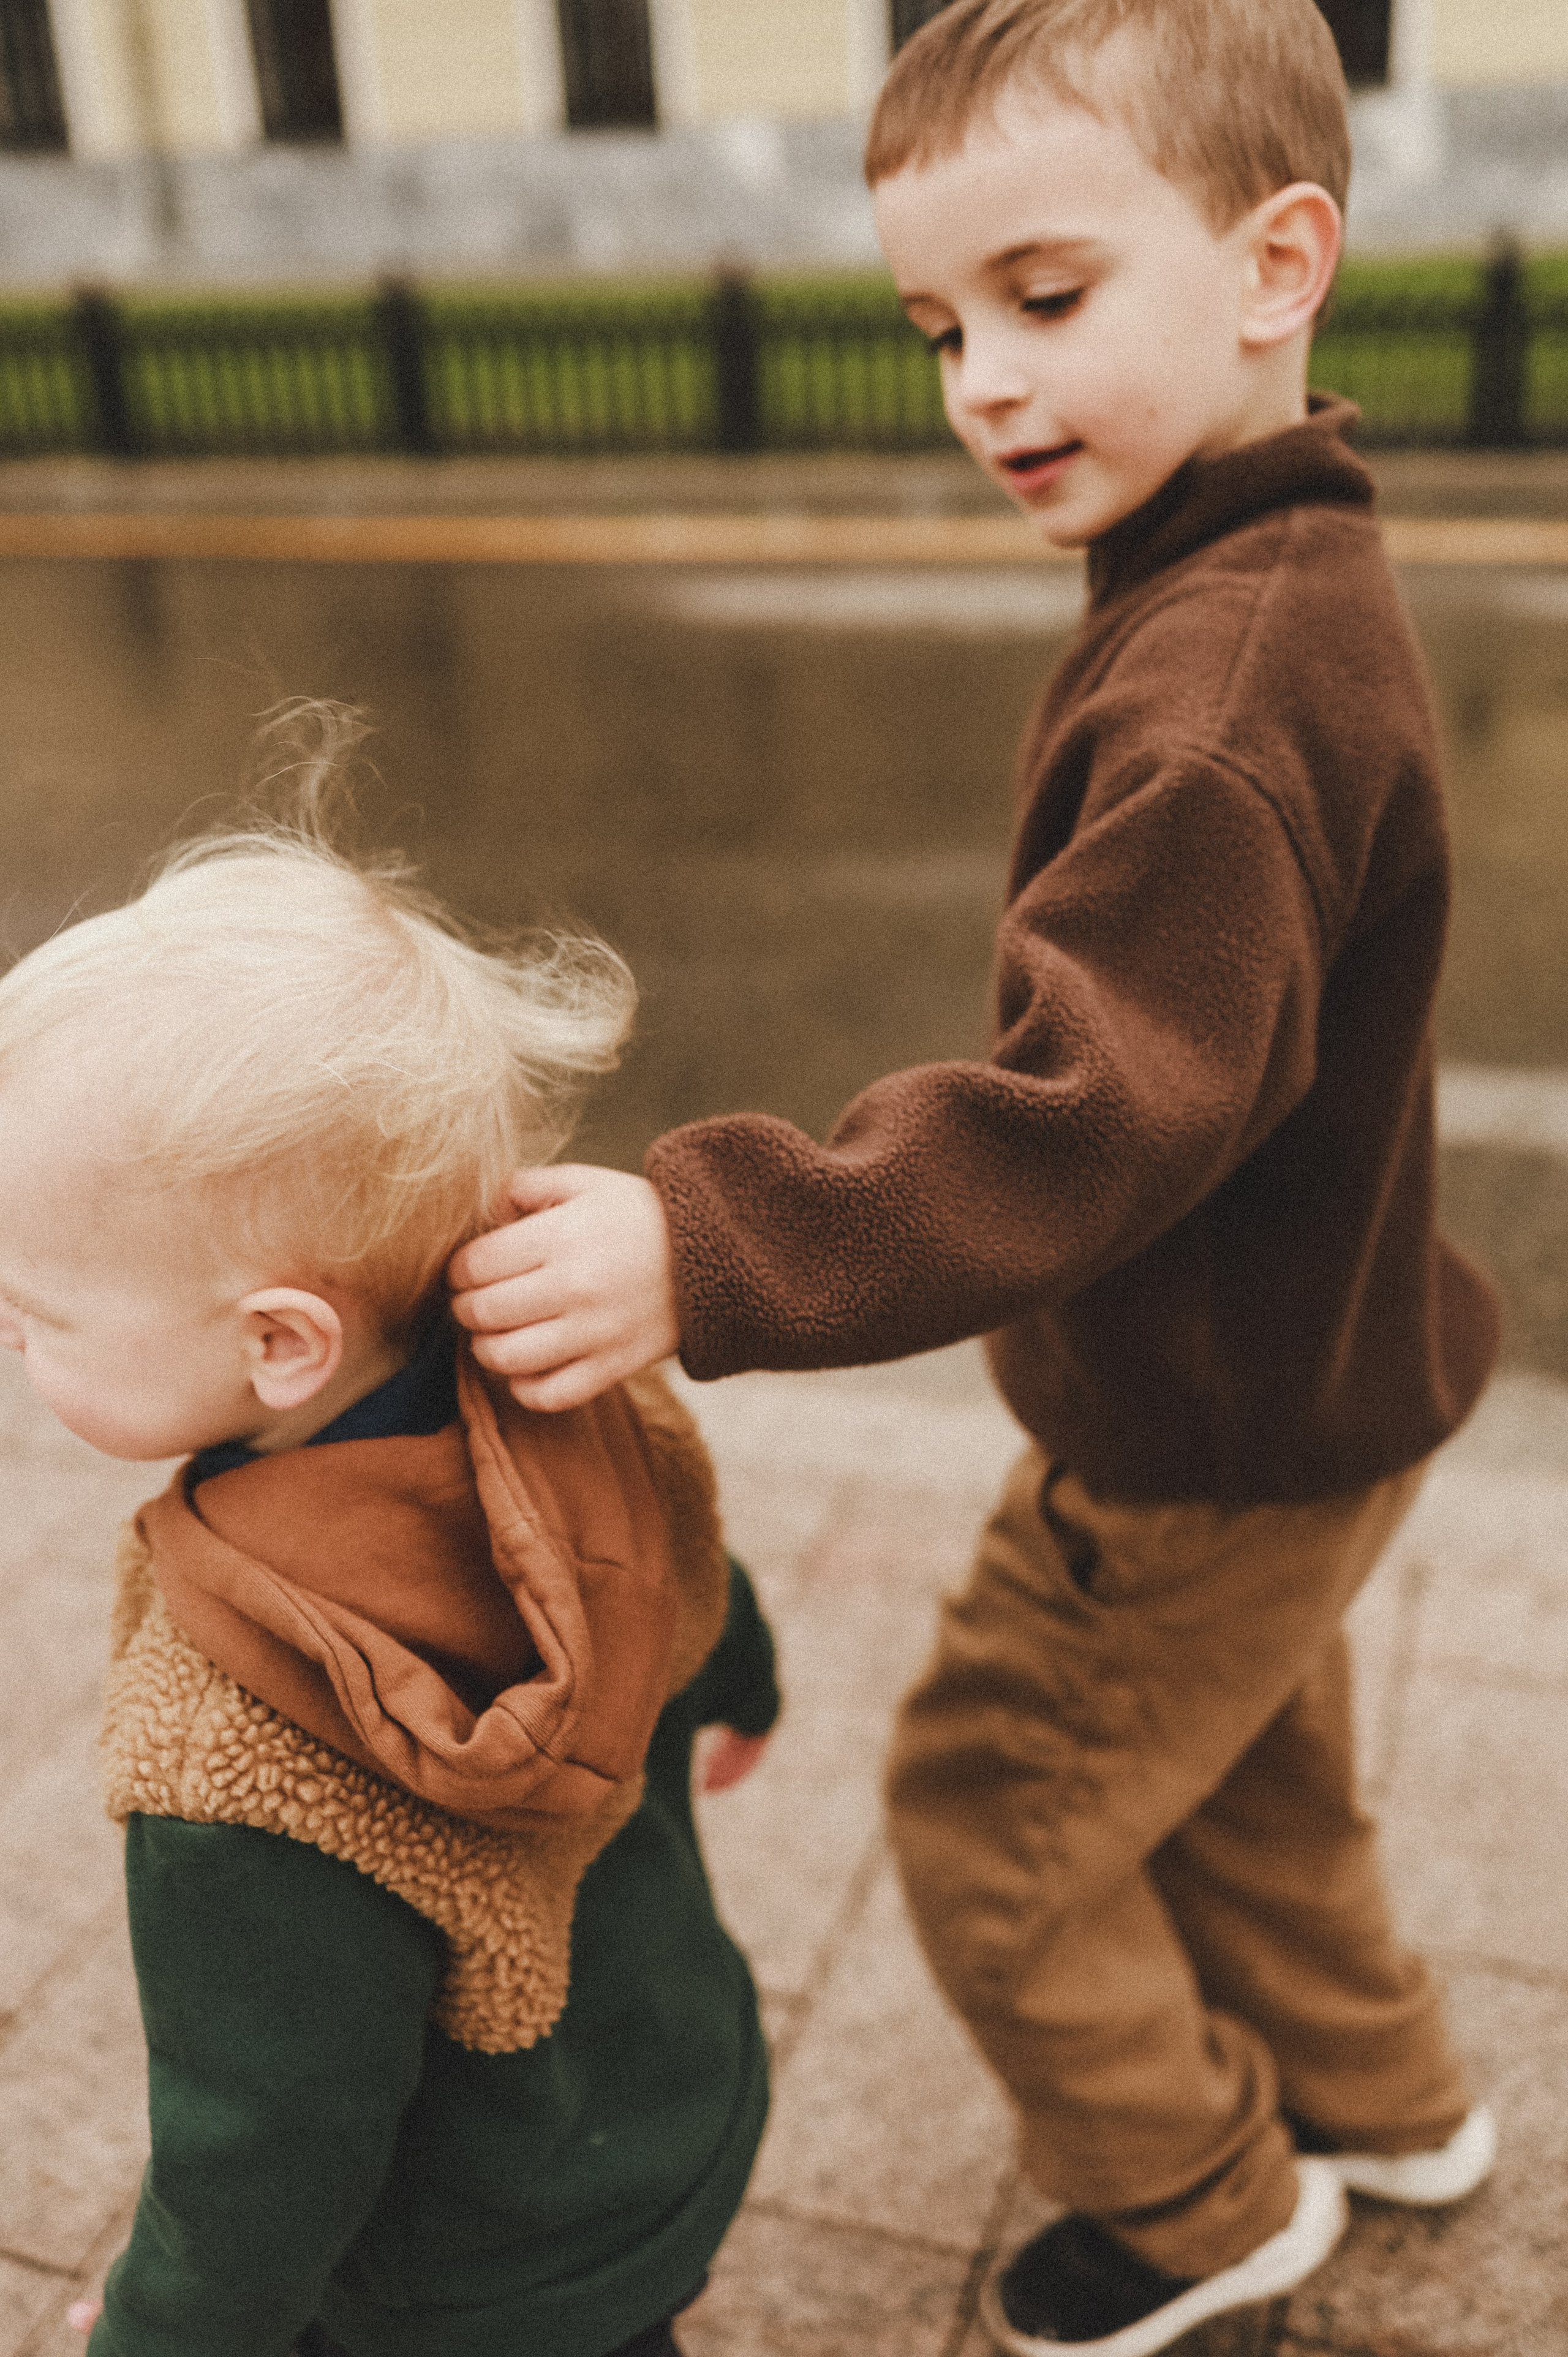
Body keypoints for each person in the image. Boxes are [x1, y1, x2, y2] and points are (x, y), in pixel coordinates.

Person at [445, 3, 1502, 2350]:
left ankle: (1209, 2200)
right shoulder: (1264, 568)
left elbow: (1096, 1108)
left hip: (1204, 1437)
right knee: (1241, 1784)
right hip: (1314, 1394)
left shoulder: (1219, 696)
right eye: (939, 326)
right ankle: (1389, 2093)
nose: (982, 384)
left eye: (1044, 297)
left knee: (997, 1822)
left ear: (1277, 261)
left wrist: (702, 1242)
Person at [0, 730, 778, 2357]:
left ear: (282, 1344)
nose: (12, 1344)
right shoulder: (582, 1400)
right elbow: (690, 1570)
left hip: (453, 2282)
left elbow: (263, 2148)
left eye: (33, 1315)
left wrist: (156, 2340)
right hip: (654, 2111)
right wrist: (744, 1688)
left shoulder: (234, 1751)